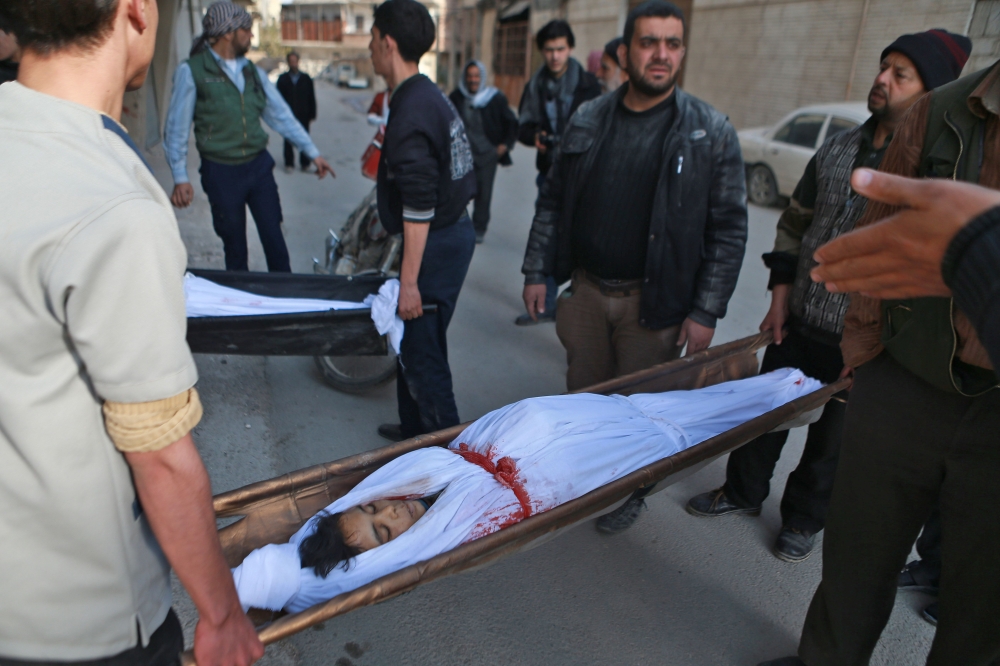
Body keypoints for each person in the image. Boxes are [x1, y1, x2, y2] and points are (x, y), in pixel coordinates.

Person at [0, 0, 263, 664]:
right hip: (78, 625)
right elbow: (160, 457)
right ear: (136, 11)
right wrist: (222, 614)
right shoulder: (110, 201)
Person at [686, 31, 967, 564]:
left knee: (831, 443)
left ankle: (803, 520)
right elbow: (794, 223)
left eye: (900, 74)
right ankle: (742, 492)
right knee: (764, 416)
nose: (881, 79)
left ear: (930, 94)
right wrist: (779, 296)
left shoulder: (930, 176)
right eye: (883, 66)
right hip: (799, 319)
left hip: (861, 341)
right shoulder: (837, 148)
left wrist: (889, 348)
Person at [760, 47, 1000, 666]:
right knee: (856, 558)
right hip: (905, 384)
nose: (883, 82)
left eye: (902, 72)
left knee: (981, 610)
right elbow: (875, 239)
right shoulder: (942, 112)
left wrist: (980, 248)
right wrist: (865, 354)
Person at [231, 369, 821, 614]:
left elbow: (389, 496)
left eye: (372, 505)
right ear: (391, 552)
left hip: (524, 429)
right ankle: (778, 393)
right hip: (555, 465)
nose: (391, 507)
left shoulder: (411, 485)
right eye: (385, 530)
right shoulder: (442, 533)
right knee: (660, 432)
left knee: (639, 412)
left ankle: (773, 386)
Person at [521, 0, 747, 534]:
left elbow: (729, 229)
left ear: (683, 51)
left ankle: (630, 488)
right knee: (585, 394)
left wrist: (706, 309)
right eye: (649, 42)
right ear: (625, 52)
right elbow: (552, 201)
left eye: (672, 43)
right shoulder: (588, 118)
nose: (661, 54)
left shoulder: (709, 131)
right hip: (587, 291)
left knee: (640, 408)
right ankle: (583, 476)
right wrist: (537, 270)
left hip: (656, 304)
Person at [367, 0, 477, 443]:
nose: (370, 49)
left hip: (436, 241)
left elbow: (418, 205)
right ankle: (413, 431)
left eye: (373, 40)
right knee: (410, 343)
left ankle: (447, 458)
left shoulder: (412, 108)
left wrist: (408, 281)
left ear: (388, 44)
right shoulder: (424, 93)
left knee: (424, 352)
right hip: (445, 236)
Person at [164, 1, 335, 273]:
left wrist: (312, 152)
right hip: (220, 171)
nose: (251, 36)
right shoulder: (192, 71)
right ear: (228, 33)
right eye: (246, 29)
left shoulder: (253, 73)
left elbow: (281, 115)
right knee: (235, 248)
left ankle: (285, 303)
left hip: (258, 168)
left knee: (275, 240)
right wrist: (180, 176)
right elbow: (177, 127)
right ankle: (244, 309)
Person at [514, 19, 601, 325]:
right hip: (551, 173)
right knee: (548, 236)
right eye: (549, 50)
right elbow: (521, 127)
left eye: (560, 49)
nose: (555, 56)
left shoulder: (588, 84)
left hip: (586, 177)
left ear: (570, 48)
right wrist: (534, 136)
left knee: (586, 241)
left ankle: (582, 308)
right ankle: (544, 304)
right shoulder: (535, 84)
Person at [448, 60, 518, 243]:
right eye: (470, 76)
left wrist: (505, 145)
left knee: (483, 194)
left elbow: (511, 122)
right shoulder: (456, 97)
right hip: (463, 155)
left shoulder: (494, 98)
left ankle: (478, 229)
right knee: (458, 192)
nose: (473, 80)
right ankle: (455, 226)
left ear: (482, 78)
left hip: (487, 154)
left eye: (477, 76)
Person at [276, 52, 317, 173]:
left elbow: (311, 97)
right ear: (288, 62)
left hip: (303, 114)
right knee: (288, 139)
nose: (293, 63)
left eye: (295, 61)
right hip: (288, 115)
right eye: (291, 61)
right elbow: (278, 99)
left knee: (304, 139)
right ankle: (289, 163)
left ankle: (305, 163)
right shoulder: (282, 79)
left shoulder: (306, 78)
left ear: (298, 61)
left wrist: (312, 113)